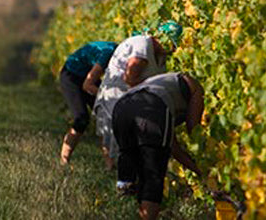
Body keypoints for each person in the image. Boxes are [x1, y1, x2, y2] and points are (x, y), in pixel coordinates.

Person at [110, 72, 217, 219]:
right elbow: (194, 130)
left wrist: (199, 171)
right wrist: (209, 165)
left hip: (121, 108)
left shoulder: (164, 84)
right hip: (151, 106)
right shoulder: (197, 90)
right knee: (153, 175)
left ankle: (125, 212)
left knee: (132, 168)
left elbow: (174, 149)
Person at [89, 21, 182, 169]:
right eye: (172, 44)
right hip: (116, 96)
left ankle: (126, 175)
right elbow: (130, 78)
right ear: (162, 38)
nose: (173, 49)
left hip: (135, 98)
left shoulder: (161, 57)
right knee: (116, 142)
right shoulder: (142, 45)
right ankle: (113, 174)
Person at [56, 41, 119, 165]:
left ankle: (110, 164)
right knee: (82, 118)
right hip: (71, 76)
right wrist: (109, 97)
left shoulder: (123, 55)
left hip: (86, 74)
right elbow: (87, 85)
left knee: (105, 115)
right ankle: (64, 160)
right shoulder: (108, 54)